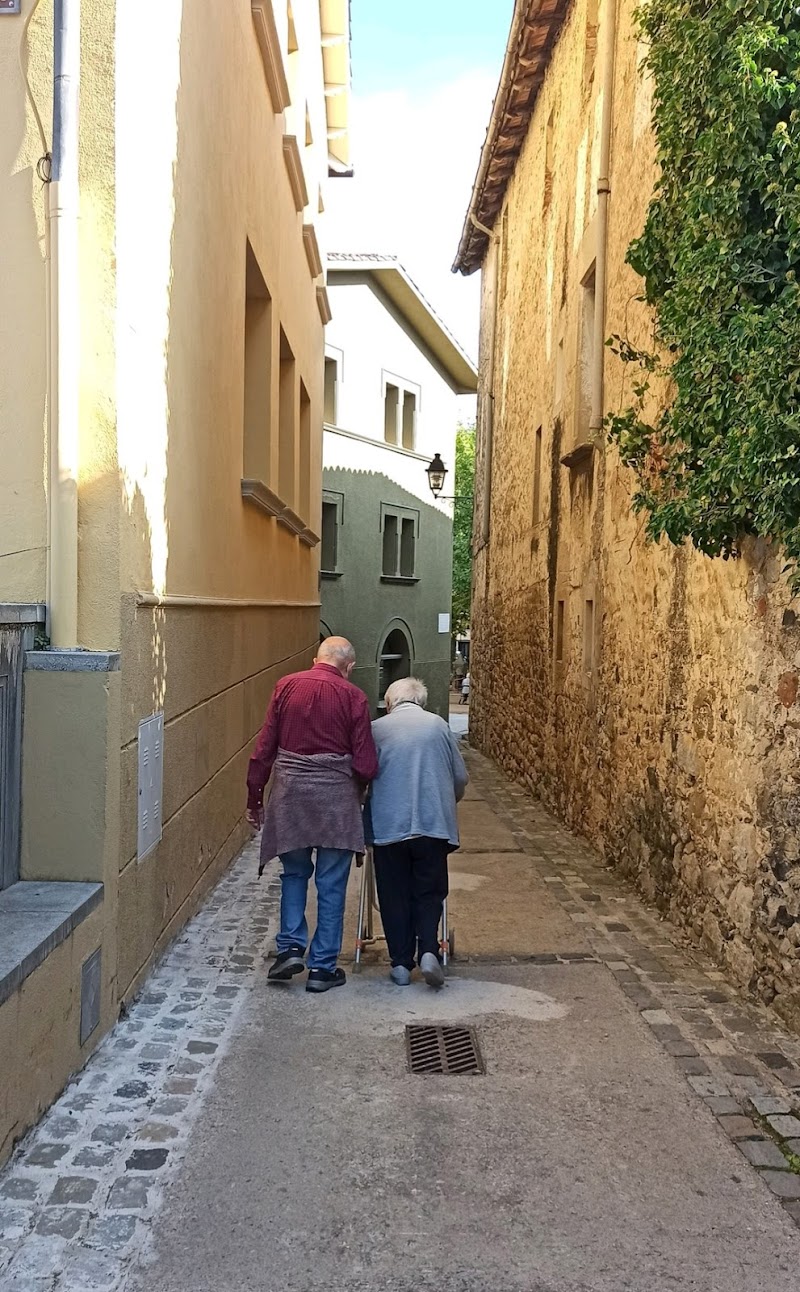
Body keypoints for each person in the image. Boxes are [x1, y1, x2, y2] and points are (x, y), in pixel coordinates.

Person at [246, 637, 378, 993]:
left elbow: (264, 748)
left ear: (315, 659)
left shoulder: (286, 686)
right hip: (335, 801)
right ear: (348, 667)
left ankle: (289, 947)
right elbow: (366, 763)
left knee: (293, 873)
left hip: (290, 798)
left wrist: (255, 797)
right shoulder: (354, 697)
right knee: (331, 884)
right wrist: (360, 787)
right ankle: (322, 969)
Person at [367, 677, 468, 988]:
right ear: (421, 702)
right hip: (432, 824)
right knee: (429, 891)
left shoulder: (376, 729)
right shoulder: (437, 725)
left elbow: (363, 775)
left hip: (388, 826)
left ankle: (400, 963)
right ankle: (428, 950)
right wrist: (447, 800)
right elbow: (460, 776)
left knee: (393, 893)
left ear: (390, 702)